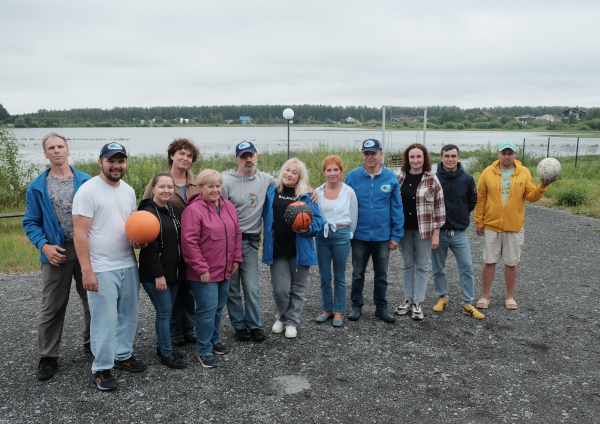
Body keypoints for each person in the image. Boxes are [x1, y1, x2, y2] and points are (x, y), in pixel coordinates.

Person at [73, 143, 147, 391]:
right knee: (104, 320)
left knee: (128, 315)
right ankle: (101, 368)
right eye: (111, 160)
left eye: (121, 161)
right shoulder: (88, 191)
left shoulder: (127, 191)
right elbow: (80, 235)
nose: (116, 166)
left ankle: (122, 356)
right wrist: (87, 270)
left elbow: (131, 225)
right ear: (100, 161)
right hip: (101, 267)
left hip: (127, 262)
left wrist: (137, 241)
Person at [22, 132, 92, 381]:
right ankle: (48, 356)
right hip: (55, 250)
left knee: (92, 299)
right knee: (52, 305)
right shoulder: (37, 186)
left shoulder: (86, 181)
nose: (57, 150)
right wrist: (44, 246)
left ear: (68, 150)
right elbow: (30, 222)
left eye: (61, 146)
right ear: (46, 153)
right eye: (51, 147)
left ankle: (93, 344)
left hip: (86, 248)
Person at [474, 140, 556, 310]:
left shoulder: (523, 172)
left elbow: (531, 196)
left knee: (511, 262)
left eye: (510, 153)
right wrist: (479, 221)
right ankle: (484, 296)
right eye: (503, 153)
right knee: (489, 261)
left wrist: (542, 186)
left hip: (514, 226)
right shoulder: (487, 172)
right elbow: (480, 198)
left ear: (515, 155)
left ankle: (510, 297)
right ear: (498, 154)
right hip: (491, 225)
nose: (506, 156)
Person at [181, 170, 242, 368]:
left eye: (218, 186)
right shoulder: (193, 210)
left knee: (217, 308)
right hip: (204, 273)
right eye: (210, 186)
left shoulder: (228, 206)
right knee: (206, 310)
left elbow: (237, 234)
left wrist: (235, 259)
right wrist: (201, 269)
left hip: (225, 269)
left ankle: (213, 340)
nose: (215, 190)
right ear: (201, 187)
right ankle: (204, 350)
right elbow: (189, 243)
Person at [143, 138, 200, 347]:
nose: (185, 158)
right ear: (172, 155)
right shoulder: (159, 181)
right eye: (181, 154)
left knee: (189, 288)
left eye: (189, 155)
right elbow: (146, 211)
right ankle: (175, 331)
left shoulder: (197, 182)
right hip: (167, 245)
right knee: (172, 288)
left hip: (192, 245)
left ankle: (189, 327)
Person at [344, 139, 404, 323]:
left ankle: (381, 307)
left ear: (381, 154)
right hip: (359, 236)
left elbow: (397, 208)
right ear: (363, 155)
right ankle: (356, 306)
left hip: (382, 237)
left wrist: (396, 235)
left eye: (373, 153)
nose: (370, 157)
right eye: (366, 153)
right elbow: (343, 204)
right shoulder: (352, 177)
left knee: (382, 275)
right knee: (357, 273)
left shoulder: (390, 177)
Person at [262, 158, 323, 338]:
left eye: (294, 172)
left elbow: (319, 221)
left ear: (299, 177)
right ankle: (281, 316)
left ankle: (291, 322)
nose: (289, 174)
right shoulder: (271, 191)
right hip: (277, 247)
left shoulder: (307, 195)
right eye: (287, 170)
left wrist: (308, 228)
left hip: (300, 248)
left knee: (298, 287)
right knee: (280, 289)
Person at [221, 141, 276, 342]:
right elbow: (219, 211)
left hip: (251, 242)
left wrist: (311, 190)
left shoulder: (266, 179)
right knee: (232, 288)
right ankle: (239, 326)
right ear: (237, 159)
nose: (248, 160)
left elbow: (290, 184)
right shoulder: (226, 181)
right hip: (229, 242)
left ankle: (255, 324)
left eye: (251, 155)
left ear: (256, 156)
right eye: (244, 157)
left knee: (251, 287)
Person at [430, 144, 484, 319]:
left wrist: (460, 216)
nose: (450, 159)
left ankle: (467, 303)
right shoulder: (433, 178)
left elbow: (471, 201)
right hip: (439, 232)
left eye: (453, 156)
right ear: (441, 157)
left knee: (467, 267)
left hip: (459, 232)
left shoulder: (467, 179)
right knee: (438, 268)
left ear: (458, 158)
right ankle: (442, 297)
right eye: (447, 156)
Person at [139, 173, 187, 369]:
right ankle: (166, 353)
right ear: (153, 189)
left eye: (170, 187)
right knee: (164, 312)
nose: (166, 190)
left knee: (167, 310)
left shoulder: (174, 210)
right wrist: (158, 274)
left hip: (173, 272)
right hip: (155, 275)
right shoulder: (148, 212)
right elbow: (149, 248)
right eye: (162, 187)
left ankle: (163, 345)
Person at [393, 143, 445, 321]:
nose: (415, 160)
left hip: (425, 230)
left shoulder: (432, 179)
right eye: (412, 157)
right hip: (404, 229)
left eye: (419, 157)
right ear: (407, 159)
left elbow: (439, 207)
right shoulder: (398, 177)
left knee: (422, 266)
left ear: (424, 159)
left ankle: (418, 303)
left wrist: (436, 232)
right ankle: (407, 300)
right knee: (407, 264)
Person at [314, 155, 357, 327]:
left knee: (339, 275)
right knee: (324, 275)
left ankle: (338, 311)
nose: (332, 173)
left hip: (341, 234)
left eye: (336, 170)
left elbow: (353, 216)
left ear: (341, 171)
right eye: (329, 170)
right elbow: (314, 215)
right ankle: (327, 309)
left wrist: (350, 235)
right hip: (322, 235)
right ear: (324, 172)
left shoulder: (348, 191)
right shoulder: (317, 192)